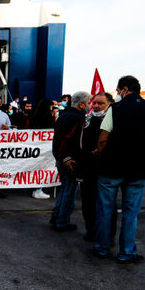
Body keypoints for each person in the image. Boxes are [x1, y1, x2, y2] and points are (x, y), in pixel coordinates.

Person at [94, 75, 145, 263]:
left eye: (118, 91)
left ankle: (101, 248)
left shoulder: (115, 109)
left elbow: (103, 138)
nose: (117, 94)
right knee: (131, 212)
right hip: (138, 169)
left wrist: (102, 155)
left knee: (104, 209)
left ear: (125, 89)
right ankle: (127, 252)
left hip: (111, 167)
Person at [58, 92, 116, 241]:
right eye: (94, 103)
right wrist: (67, 159)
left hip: (108, 171)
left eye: (100, 103)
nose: (96, 106)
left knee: (107, 205)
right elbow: (66, 141)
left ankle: (106, 237)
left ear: (109, 105)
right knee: (88, 204)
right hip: (87, 171)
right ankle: (91, 231)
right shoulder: (85, 122)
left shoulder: (116, 123)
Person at [49, 92, 91, 230]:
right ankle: (62, 221)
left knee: (65, 189)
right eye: (89, 102)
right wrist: (69, 159)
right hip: (70, 161)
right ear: (81, 104)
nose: (90, 106)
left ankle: (56, 216)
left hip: (61, 159)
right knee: (69, 191)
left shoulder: (63, 116)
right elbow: (71, 141)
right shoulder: (77, 119)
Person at [30, 99, 58, 200]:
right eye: (51, 107)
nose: (53, 109)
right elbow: (52, 127)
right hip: (44, 147)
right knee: (42, 167)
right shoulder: (46, 117)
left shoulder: (35, 115)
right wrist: (54, 116)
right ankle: (38, 190)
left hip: (37, 146)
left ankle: (36, 188)